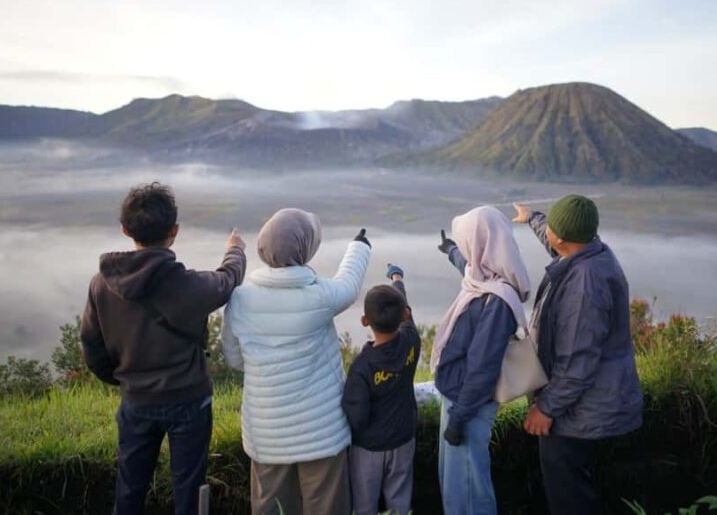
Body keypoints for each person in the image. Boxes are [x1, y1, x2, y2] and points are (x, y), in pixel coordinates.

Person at [79, 182, 247, 515]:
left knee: (129, 489)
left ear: (126, 230)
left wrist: (127, 381)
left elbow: (92, 349)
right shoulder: (187, 284)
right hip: (189, 400)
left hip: (136, 401)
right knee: (190, 490)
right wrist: (235, 248)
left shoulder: (101, 284)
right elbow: (228, 279)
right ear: (174, 231)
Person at [221, 208, 371, 515]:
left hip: (267, 435)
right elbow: (350, 283)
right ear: (305, 249)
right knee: (326, 506)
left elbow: (234, 359)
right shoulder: (319, 296)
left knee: (272, 507)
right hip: (322, 434)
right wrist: (359, 247)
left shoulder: (239, 299)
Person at [513, 195, 643, 515]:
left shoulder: (585, 286)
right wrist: (532, 217)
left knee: (570, 500)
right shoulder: (589, 251)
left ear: (563, 239)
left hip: (580, 416)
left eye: (552, 228)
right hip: (596, 406)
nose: (550, 234)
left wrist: (545, 408)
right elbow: (555, 239)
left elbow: (577, 362)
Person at [434, 206, 531, 515]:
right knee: (454, 484)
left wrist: (459, 419)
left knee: (469, 490)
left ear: (481, 245)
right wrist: (451, 251)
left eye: (466, 241)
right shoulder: (487, 278)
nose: (466, 250)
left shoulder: (498, 300)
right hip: (459, 399)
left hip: (469, 406)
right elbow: (468, 267)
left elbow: (482, 367)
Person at [342, 263, 421, 515]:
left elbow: (356, 415)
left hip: (368, 449)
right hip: (403, 440)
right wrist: (397, 280)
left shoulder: (362, 366)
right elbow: (405, 310)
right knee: (400, 502)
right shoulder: (411, 341)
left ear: (365, 321)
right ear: (405, 316)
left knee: (364, 505)